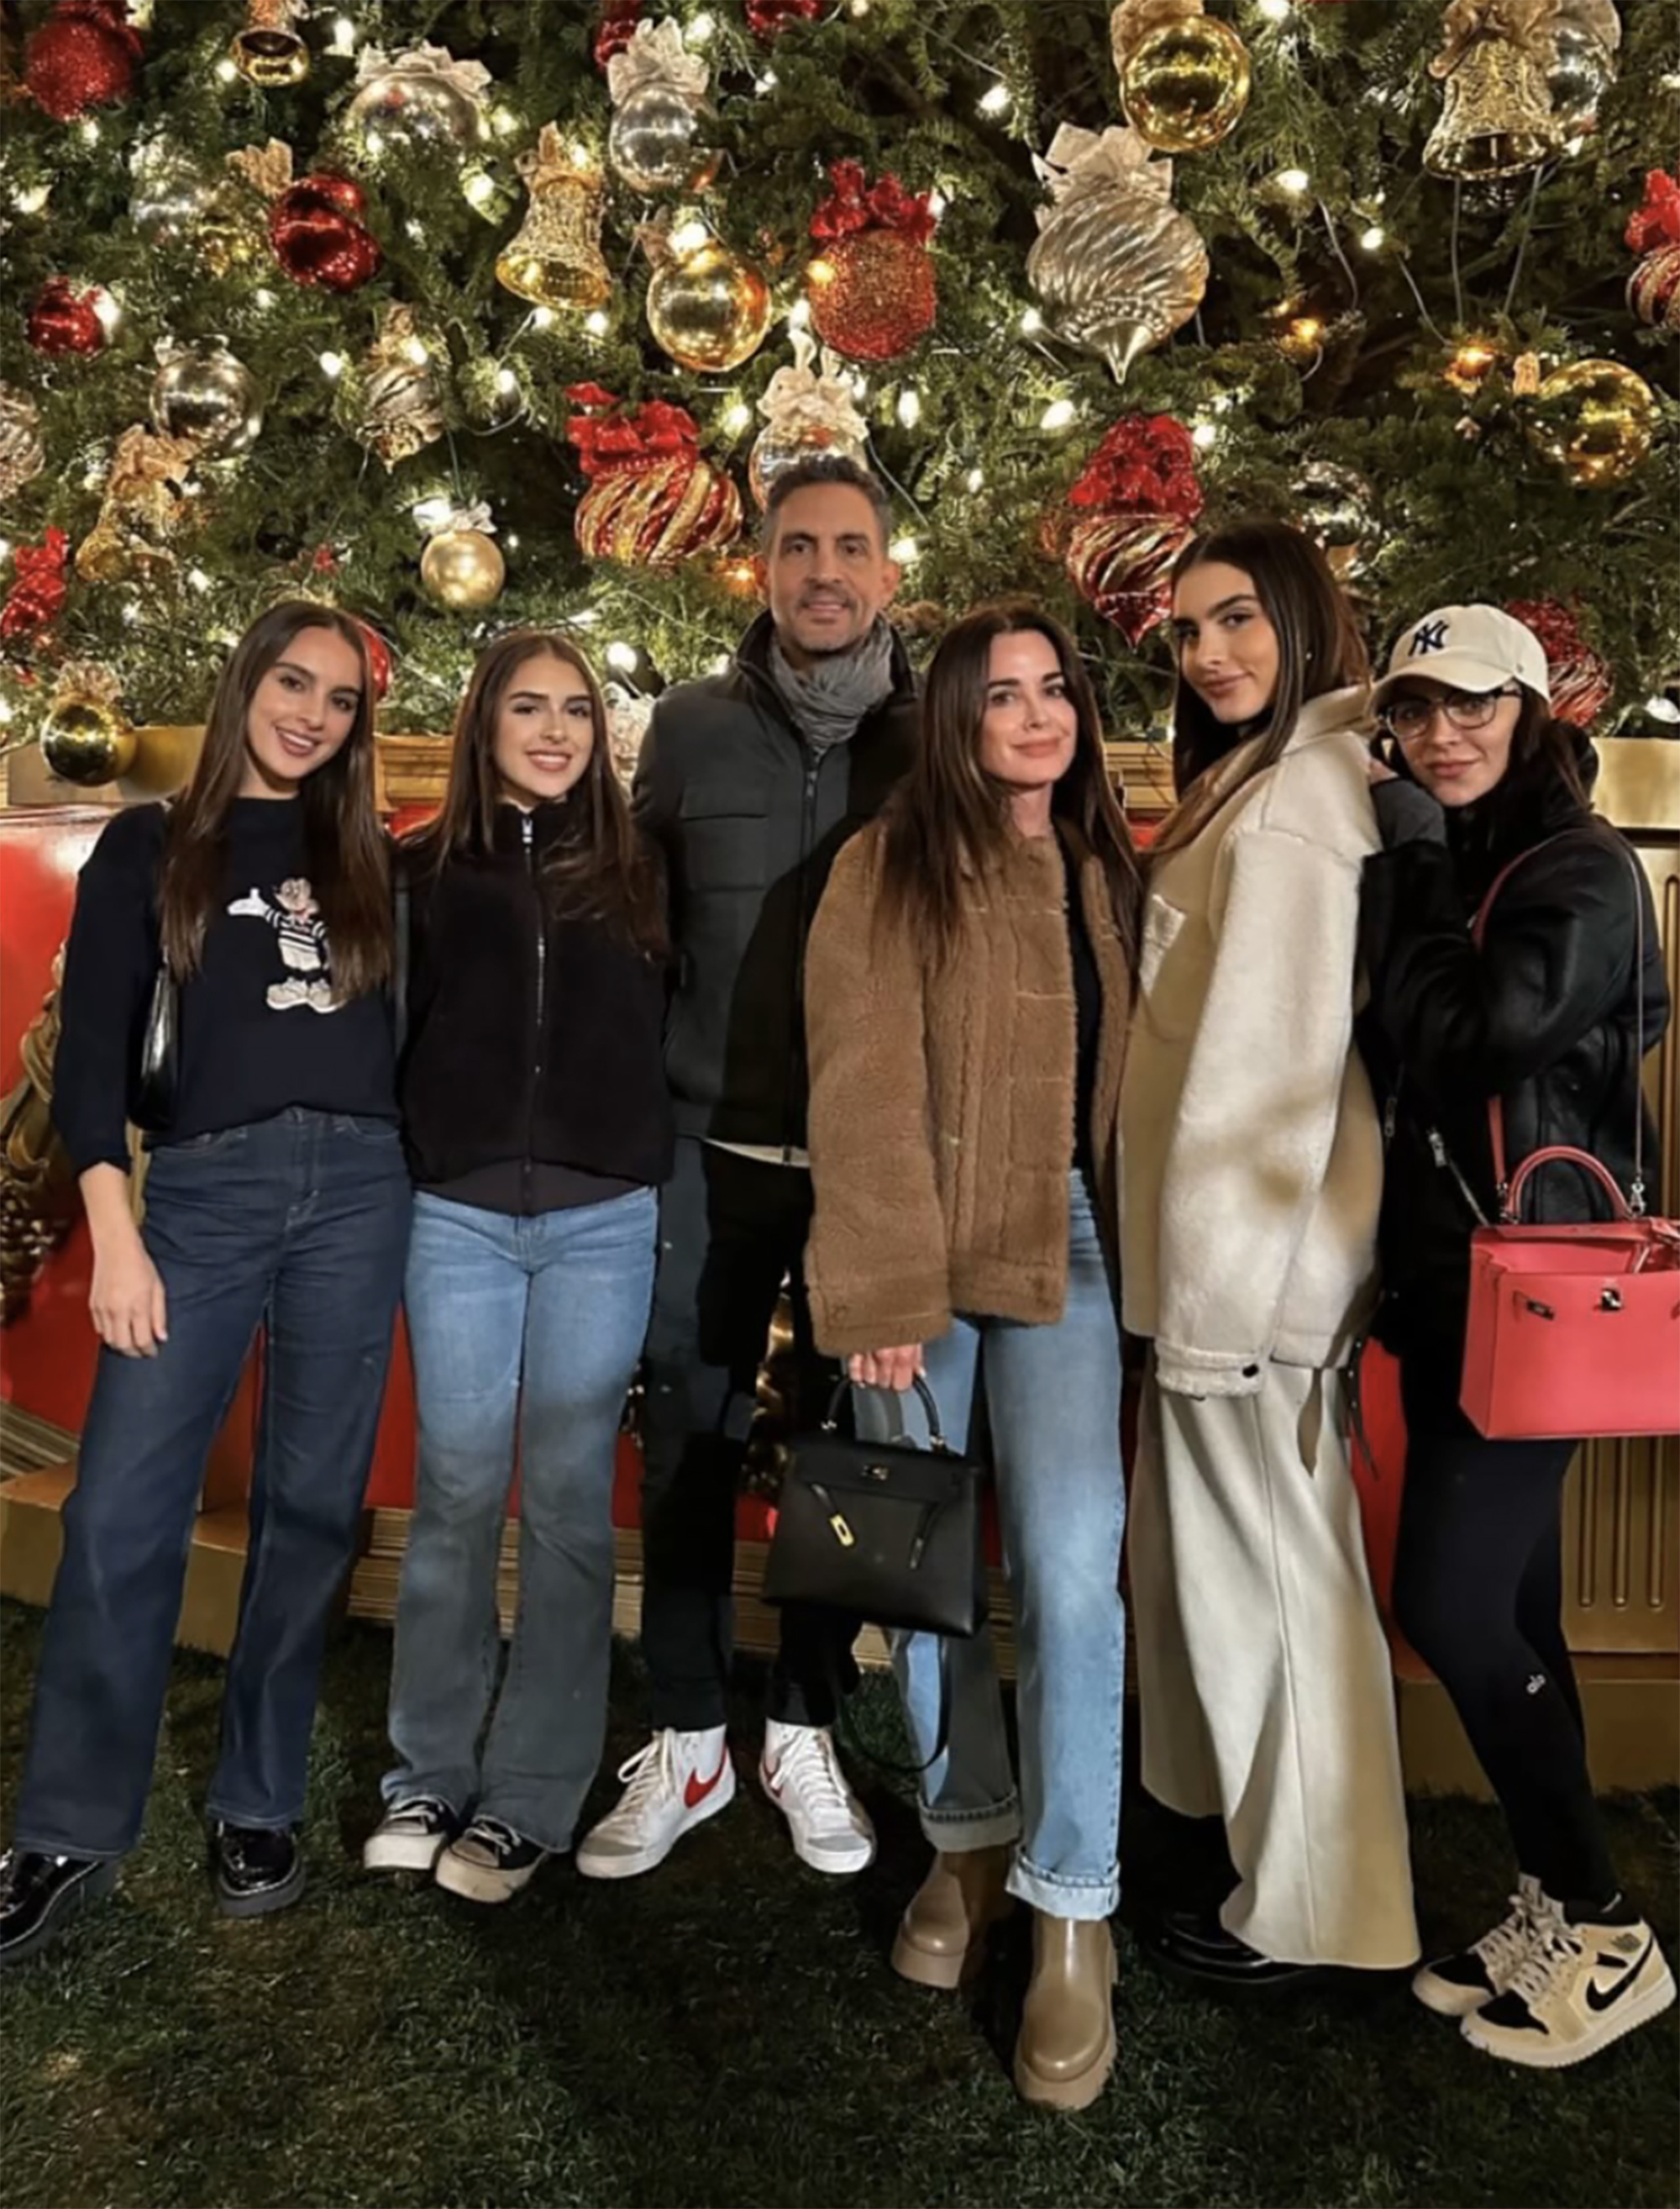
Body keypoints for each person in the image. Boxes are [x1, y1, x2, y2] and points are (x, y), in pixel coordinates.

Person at [0, 602, 409, 1964]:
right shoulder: (150, 845)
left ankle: (258, 1799)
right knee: (122, 1511)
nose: (313, 712)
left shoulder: (366, 858)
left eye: (342, 699)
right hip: (202, 1195)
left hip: (360, 1190)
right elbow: (100, 1055)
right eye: (293, 681)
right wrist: (116, 1230)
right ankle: (65, 1827)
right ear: (245, 681)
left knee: (308, 1507)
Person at [803, 601, 1141, 2109]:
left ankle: (1076, 1910)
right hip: (923, 1250)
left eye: (1055, 687)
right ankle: (971, 1839)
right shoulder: (890, 861)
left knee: (1073, 1570)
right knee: (926, 1573)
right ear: (955, 718)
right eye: (1002, 693)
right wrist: (875, 1289)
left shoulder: (1107, 866)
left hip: (1070, 1246)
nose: (1036, 711)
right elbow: (860, 1078)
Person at [575, 455, 918, 1882]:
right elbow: (632, 927)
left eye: (851, 547)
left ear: (891, 572)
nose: (824, 571)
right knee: (690, 1433)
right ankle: (690, 1726)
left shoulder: (935, 738)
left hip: (874, 1163)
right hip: (706, 1154)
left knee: (857, 1456)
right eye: (797, 547)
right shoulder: (693, 734)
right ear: (760, 567)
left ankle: (802, 1721)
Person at [1358, 603, 1675, 2068]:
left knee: (1456, 1610)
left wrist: (1415, 859)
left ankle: (1612, 1934)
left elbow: (1477, 1035)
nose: (1443, 732)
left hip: (1535, 1308)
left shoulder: (1583, 871)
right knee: (1520, 1616)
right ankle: (1555, 1893)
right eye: (1418, 709)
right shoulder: (1486, 859)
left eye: (1473, 705)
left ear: (1534, 712)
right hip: (1452, 1292)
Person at [1120, 518, 1420, 1986]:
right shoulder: (1257, 781)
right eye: (1187, 631)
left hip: (1253, 1278)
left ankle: (1318, 1913)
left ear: (1302, 618)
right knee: (1232, 1580)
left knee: (1284, 1590)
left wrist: (1217, 1301)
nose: (1211, 651)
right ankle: (1258, 1850)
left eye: (1238, 618)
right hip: (1215, 1270)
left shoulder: (1303, 795)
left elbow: (1267, 1076)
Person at [362, 633, 671, 1904]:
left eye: (577, 711)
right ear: (481, 721)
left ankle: (532, 1793)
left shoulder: (648, 872)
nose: (554, 730)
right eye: (527, 707)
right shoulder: (420, 870)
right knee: (452, 1485)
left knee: (563, 1503)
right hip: (460, 1218)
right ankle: (426, 1774)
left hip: (605, 1220)